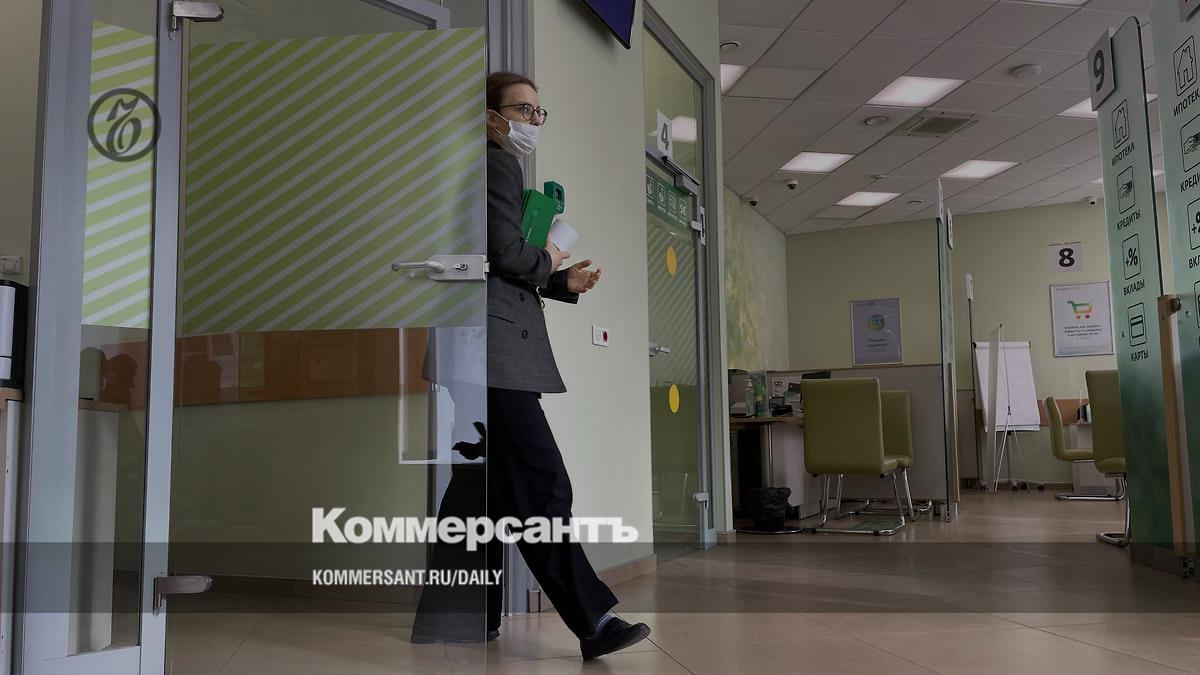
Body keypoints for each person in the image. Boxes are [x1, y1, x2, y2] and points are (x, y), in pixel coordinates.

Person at [482, 71, 650, 661]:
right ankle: (592, 620)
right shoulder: (497, 165)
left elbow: (494, 264)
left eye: (537, 112)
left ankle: (465, 612)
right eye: (520, 110)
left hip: (481, 351)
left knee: (486, 495)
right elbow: (503, 254)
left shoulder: (490, 168)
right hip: (495, 355)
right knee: (543, 481)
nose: (532, 121)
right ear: (492, 117)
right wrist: (551, 255)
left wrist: (558, 281)